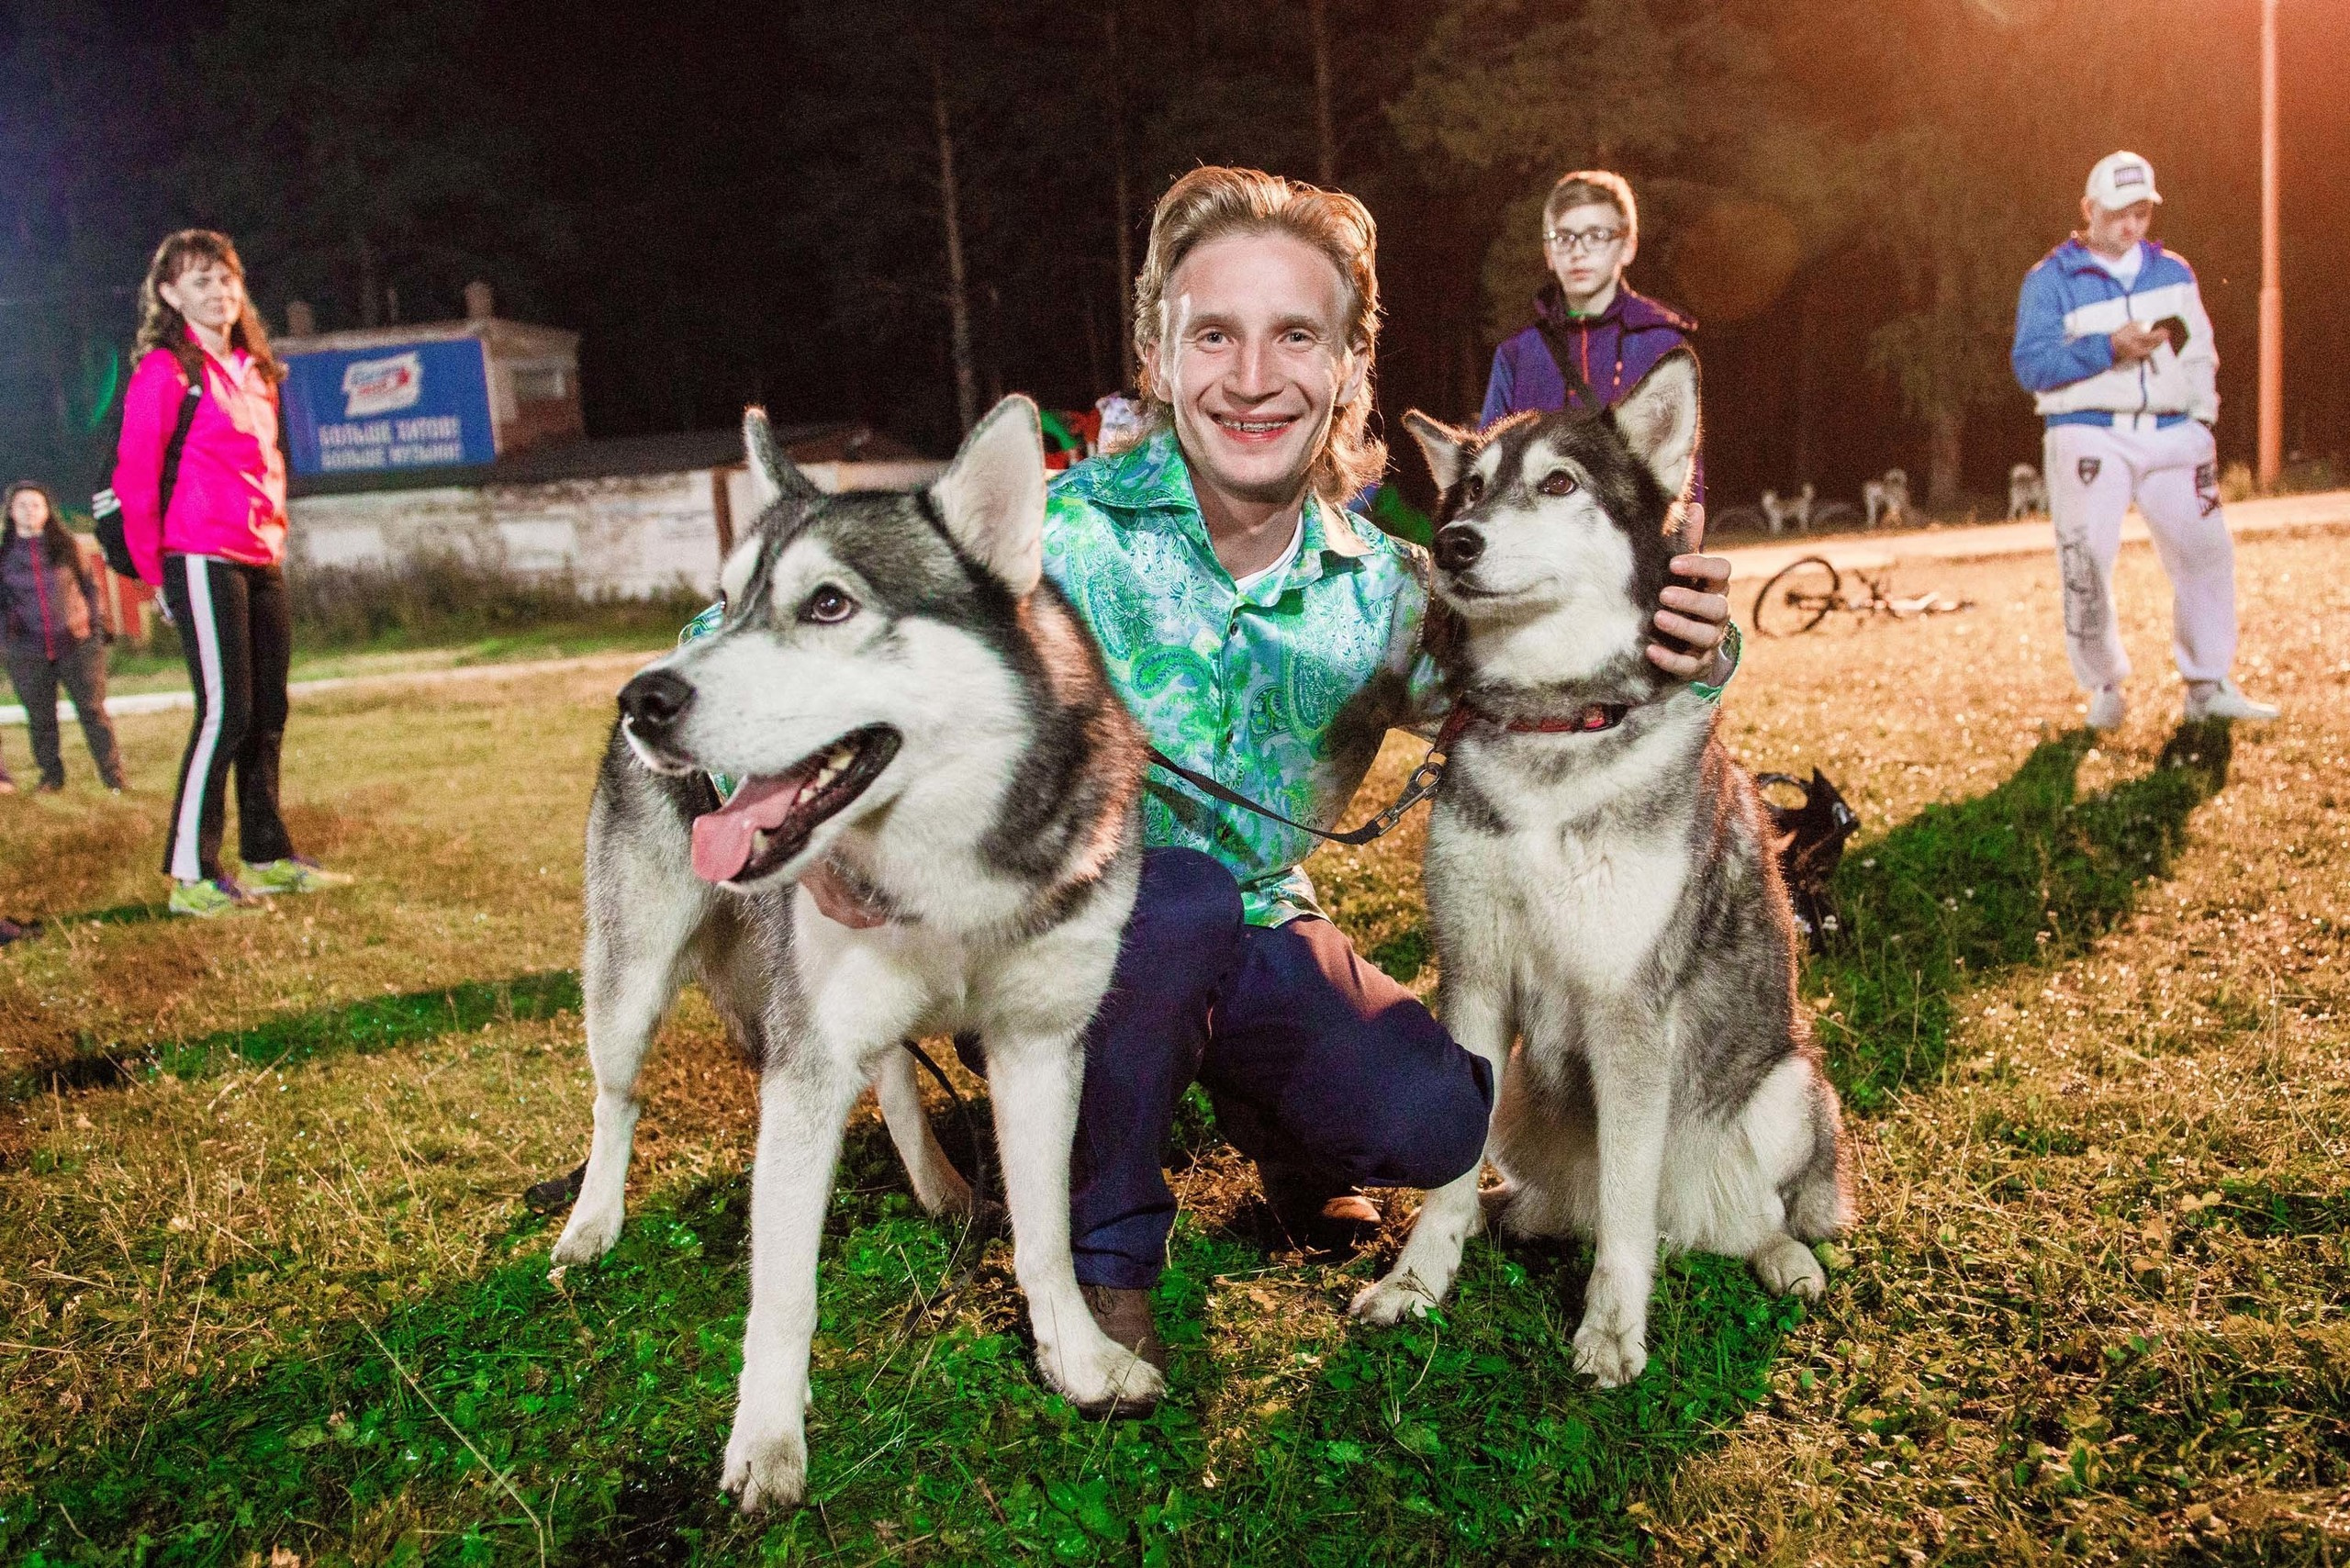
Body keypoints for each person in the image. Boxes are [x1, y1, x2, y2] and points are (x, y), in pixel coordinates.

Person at [800, 167, 1740, 1390]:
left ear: (1350, 363)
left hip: (1257, 929)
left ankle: (1290, 1136)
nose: (1254, 377)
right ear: (1158, 352)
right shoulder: (1049, 535)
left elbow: (1548, 702)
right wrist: (818, 819)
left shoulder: (1392, 587)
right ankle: (1104, 1249)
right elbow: (799, 644)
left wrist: (1696, 647)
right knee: (1174, 895)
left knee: (1435, 1114)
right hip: (1059, 937)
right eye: (1215, 335)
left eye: (1297, 334)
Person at [116, 230, 352, 917]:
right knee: (226, 713)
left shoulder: (254, 369)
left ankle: (269, 855)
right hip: (196, 555)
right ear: (169, 295)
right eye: (199, 283)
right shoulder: (165, 371)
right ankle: (192, 875)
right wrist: (151, 577)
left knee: (269, 712)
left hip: (259, 555)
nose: (218, 293)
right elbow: (135, 478)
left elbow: (268, 466)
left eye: (225, 280)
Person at [2010, 151, 2277, 730]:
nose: (2130, 227)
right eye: (2118, 214)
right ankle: (2105, 686)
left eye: (2141, 214)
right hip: (2088, 431)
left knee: (2207, 553)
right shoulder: (2050, 279)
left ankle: (2208, 685)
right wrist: (2109, 347)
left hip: (2172, 434)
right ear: (2089, 210)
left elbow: (2201, 351)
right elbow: (2031, 366)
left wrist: (2201, 420)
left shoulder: (2173, 271)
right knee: (2087, 563)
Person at [1480, 169, 1704, 523]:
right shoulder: (1518, 355)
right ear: (1548, 253)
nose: (1578, 251)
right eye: (1564, 237)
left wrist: (1685, 564)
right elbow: (1488, 467)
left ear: (1627, 245)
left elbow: (1685, 473)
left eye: (1596, 235)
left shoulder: (1662, 344)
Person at [0, 482, 125, 792]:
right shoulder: (4, 556)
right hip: (28, 651)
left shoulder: (67, 546)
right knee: (41, 718)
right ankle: (51, 778)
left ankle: (114, 779)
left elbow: (90, 587)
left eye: (36, 505)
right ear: (11, 512)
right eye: (22, 505)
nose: (29, 511)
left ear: (47, 511)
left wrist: (97, 628)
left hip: (78, 643)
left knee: (93, 712)